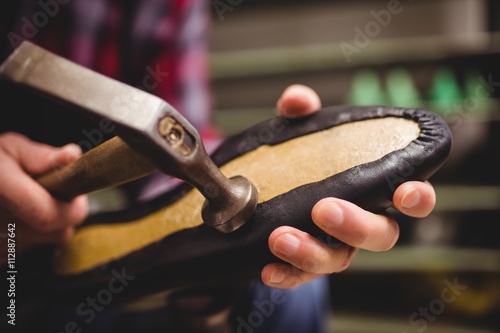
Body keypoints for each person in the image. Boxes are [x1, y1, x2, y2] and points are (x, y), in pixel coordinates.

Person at [0, 1, 436, 332]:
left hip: (73, 229)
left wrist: (210, 266)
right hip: (27, 271)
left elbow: (181, 145)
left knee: (286, 293)